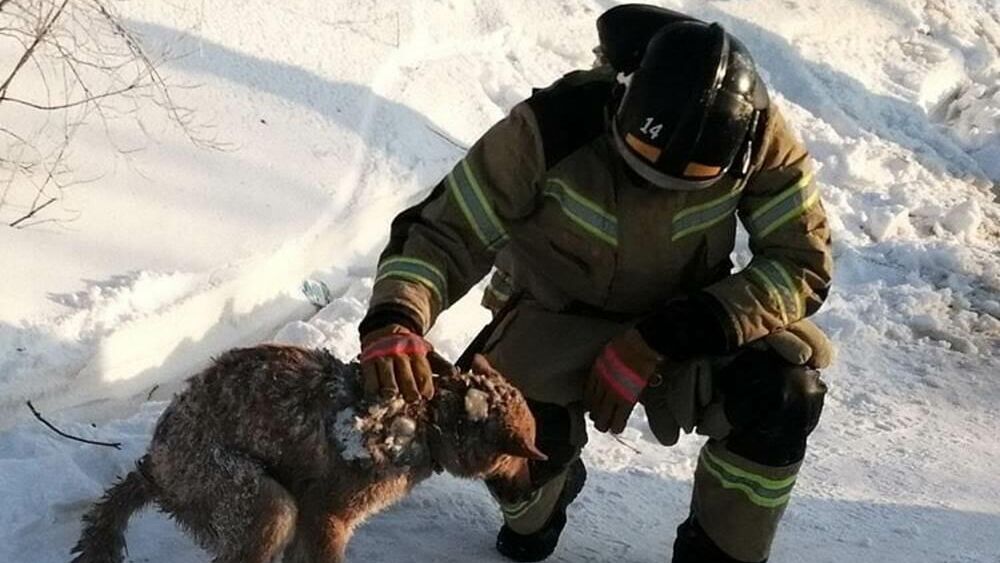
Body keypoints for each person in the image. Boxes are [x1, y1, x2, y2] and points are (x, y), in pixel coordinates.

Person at [357, 4, 834, 562]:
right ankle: (545, 498)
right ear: (620, 100)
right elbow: (443, 232)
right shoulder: (547, 128)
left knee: (781, 392)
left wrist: (662, 337)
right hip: (551, 322)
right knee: (508, 465)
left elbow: (801, 263)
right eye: (640, 163)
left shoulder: (759, 139)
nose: (657, 187)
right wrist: (397, 318)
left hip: (685, 326)